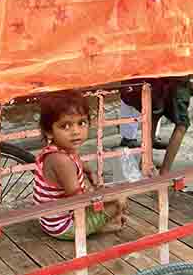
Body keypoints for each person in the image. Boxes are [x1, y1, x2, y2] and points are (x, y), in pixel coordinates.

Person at [34, 90, 125, 240]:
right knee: (120, 201)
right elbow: (79, 200)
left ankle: (95, 224)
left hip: (51, 219)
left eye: (81, 123)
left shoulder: (61, 150)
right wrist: (104, 197)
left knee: (109, 196)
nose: (76, 131)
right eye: (65, 126)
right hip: (63, 226)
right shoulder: (61, 160)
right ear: (49, 132)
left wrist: (89, 171)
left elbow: (79, 163)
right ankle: (95, 229)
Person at [118, 77, 192, 174]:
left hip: (154, 81)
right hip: (174, 78)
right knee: (182, 125)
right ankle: (164, 172)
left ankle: (146, 161)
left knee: (154, 116)